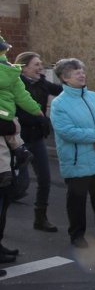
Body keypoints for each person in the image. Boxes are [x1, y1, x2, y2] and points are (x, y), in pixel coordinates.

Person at [50, 58, 95, 248]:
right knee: (77, 201)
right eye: (77, 73)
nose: (82, 75)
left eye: (82, 71)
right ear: (64, 78)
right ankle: (77, 235)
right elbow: (67, 131)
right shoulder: (59, 103)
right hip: (78, 161)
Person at [15, 51, 63, 232]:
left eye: (41, 64)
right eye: (36, 64)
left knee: (45, 179)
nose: (41, 67)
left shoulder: (42, 83)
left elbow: (62, 90)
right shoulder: (15, 84)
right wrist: (38, 119)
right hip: (18, 140)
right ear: (24, 67)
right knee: (18, 182)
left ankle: (40, 218)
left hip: (36, 139)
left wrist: (73, 79)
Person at [0, 37, 41, 189]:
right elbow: (22, 96)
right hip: (8, 113)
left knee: (0, 145)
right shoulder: (12, 71)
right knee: (11, 131)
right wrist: (36, 109)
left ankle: (4, 171)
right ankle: (21, 149)